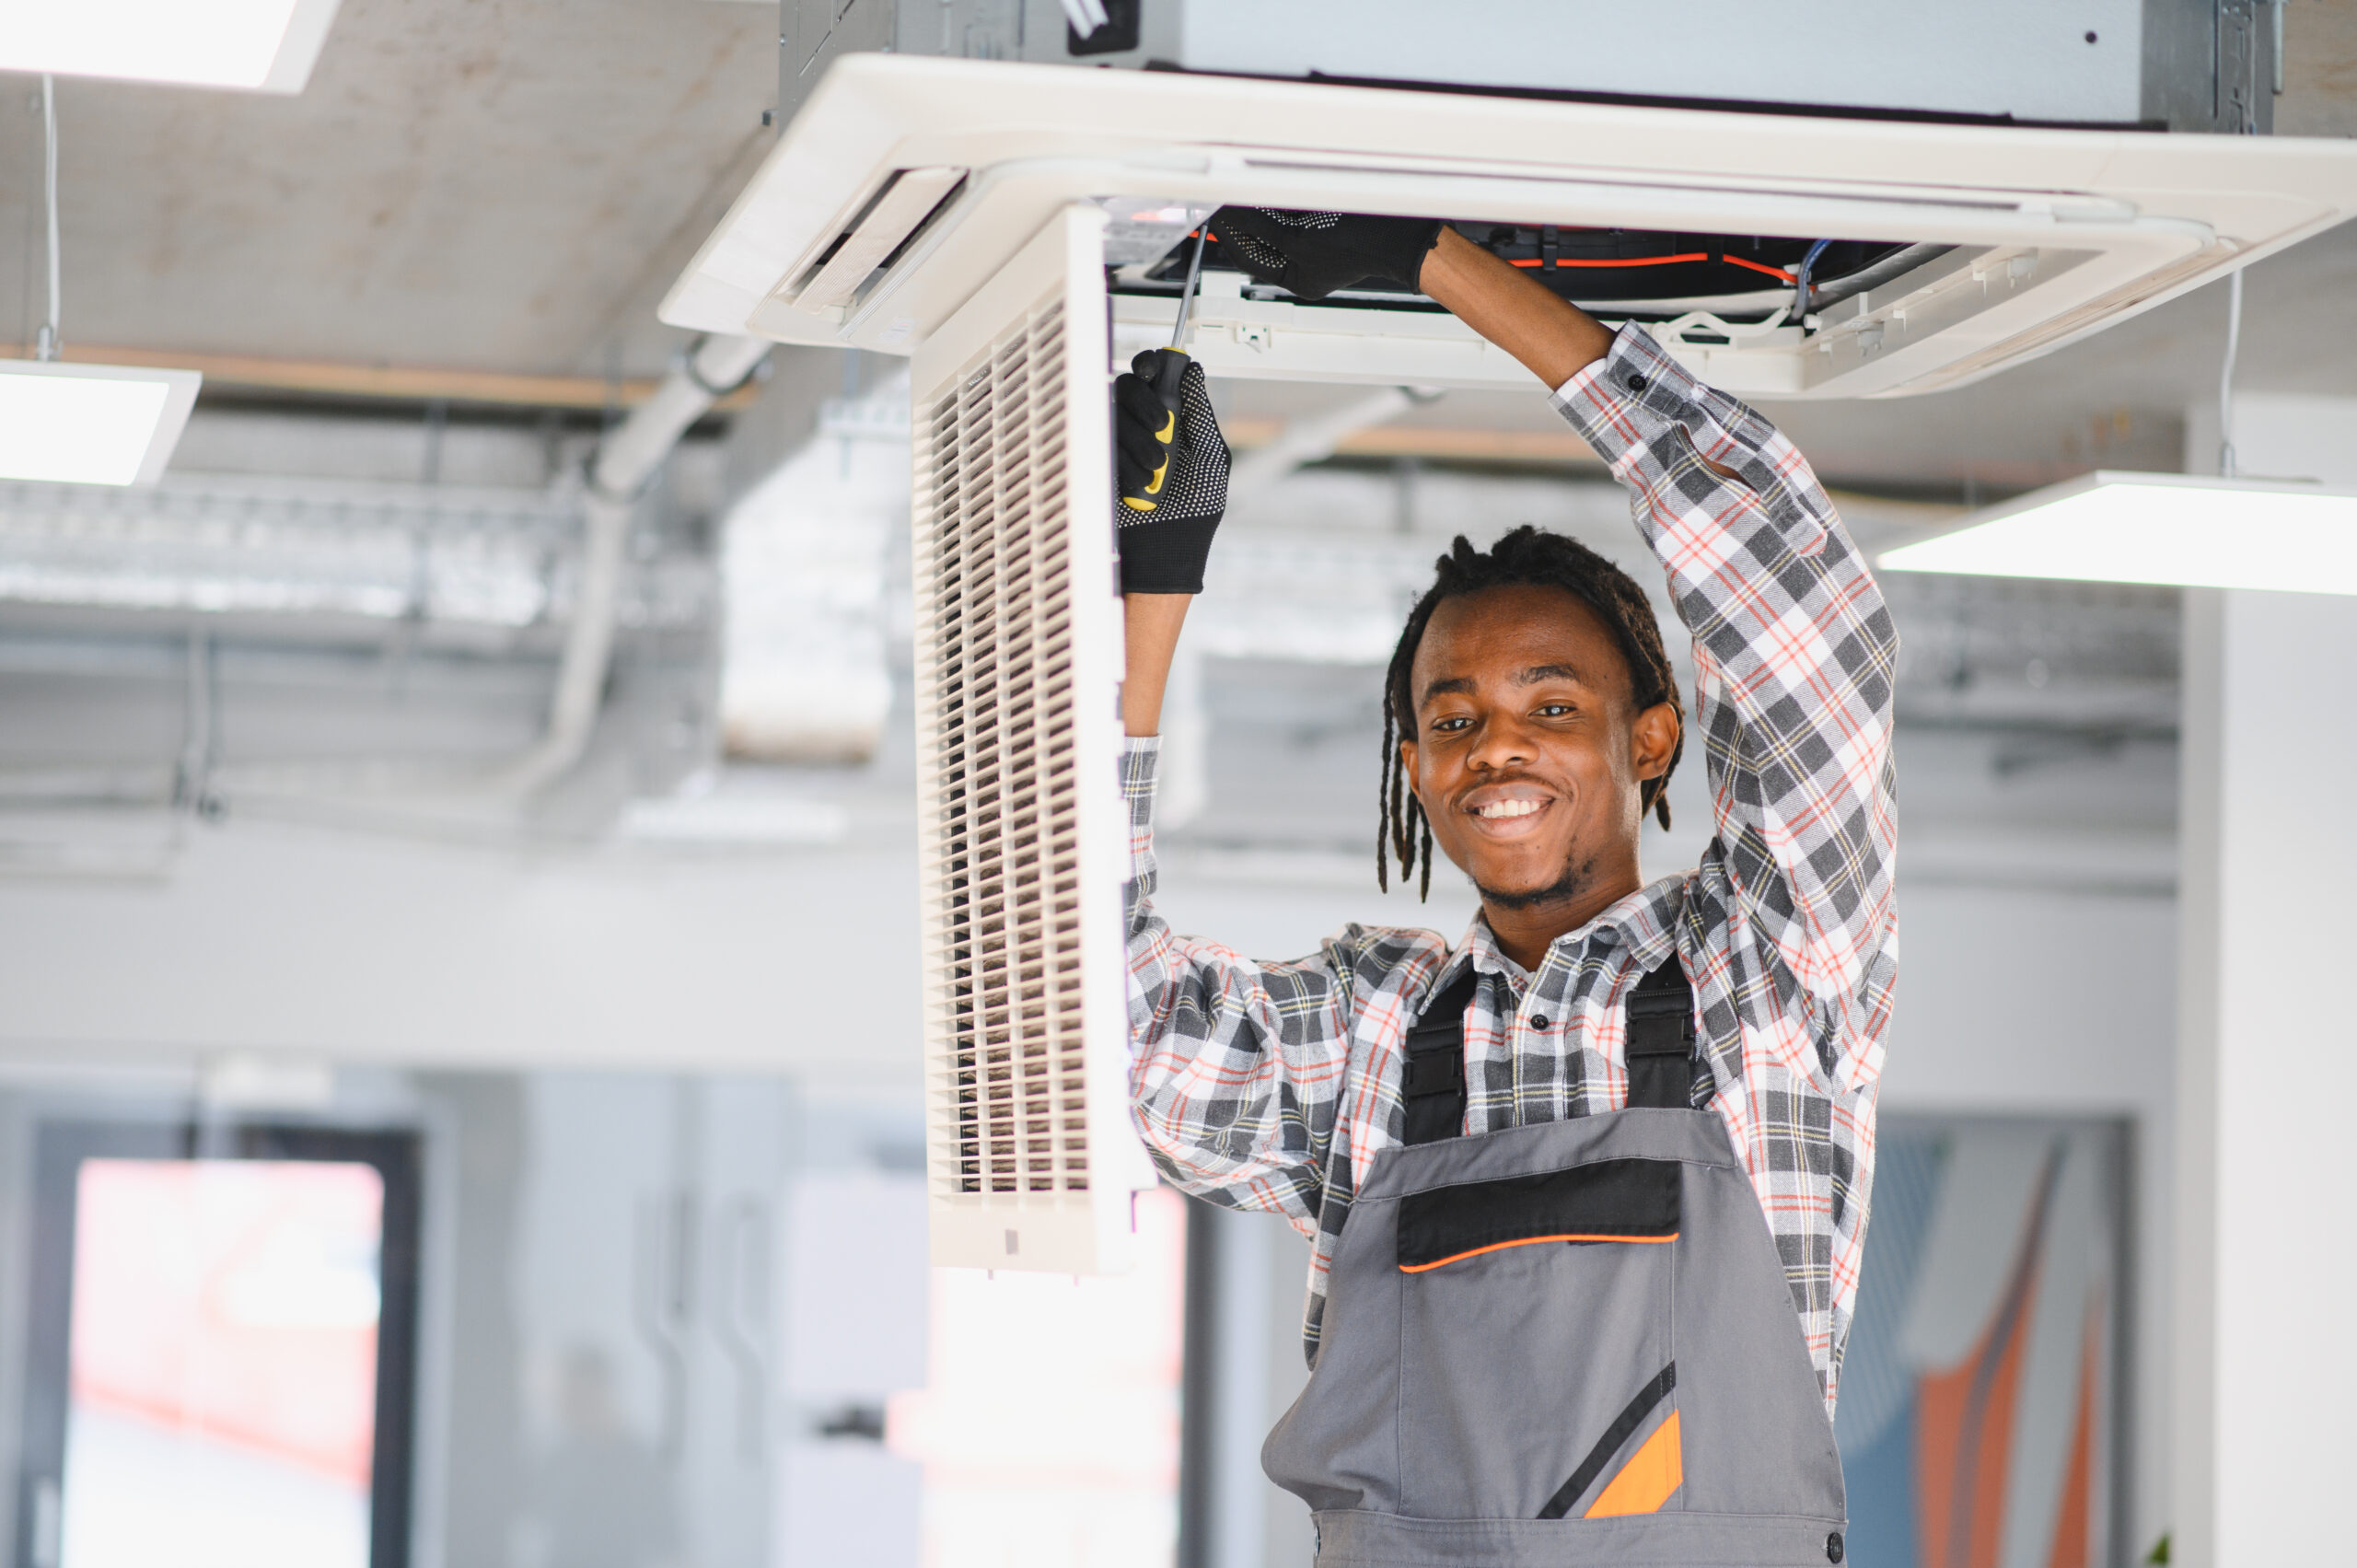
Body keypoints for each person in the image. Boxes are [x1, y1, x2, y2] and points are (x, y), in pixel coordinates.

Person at [1110, 211, 1898, 1567]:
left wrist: (1431, 262)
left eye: (1552, 704)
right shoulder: (1370, 1034)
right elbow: (1094, 1026)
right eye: (1454, 720)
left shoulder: (1768, 972)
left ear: (1650, 739)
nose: (1499, 749)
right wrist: (1150, 588)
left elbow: (1794, 607)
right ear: (1414, 767)